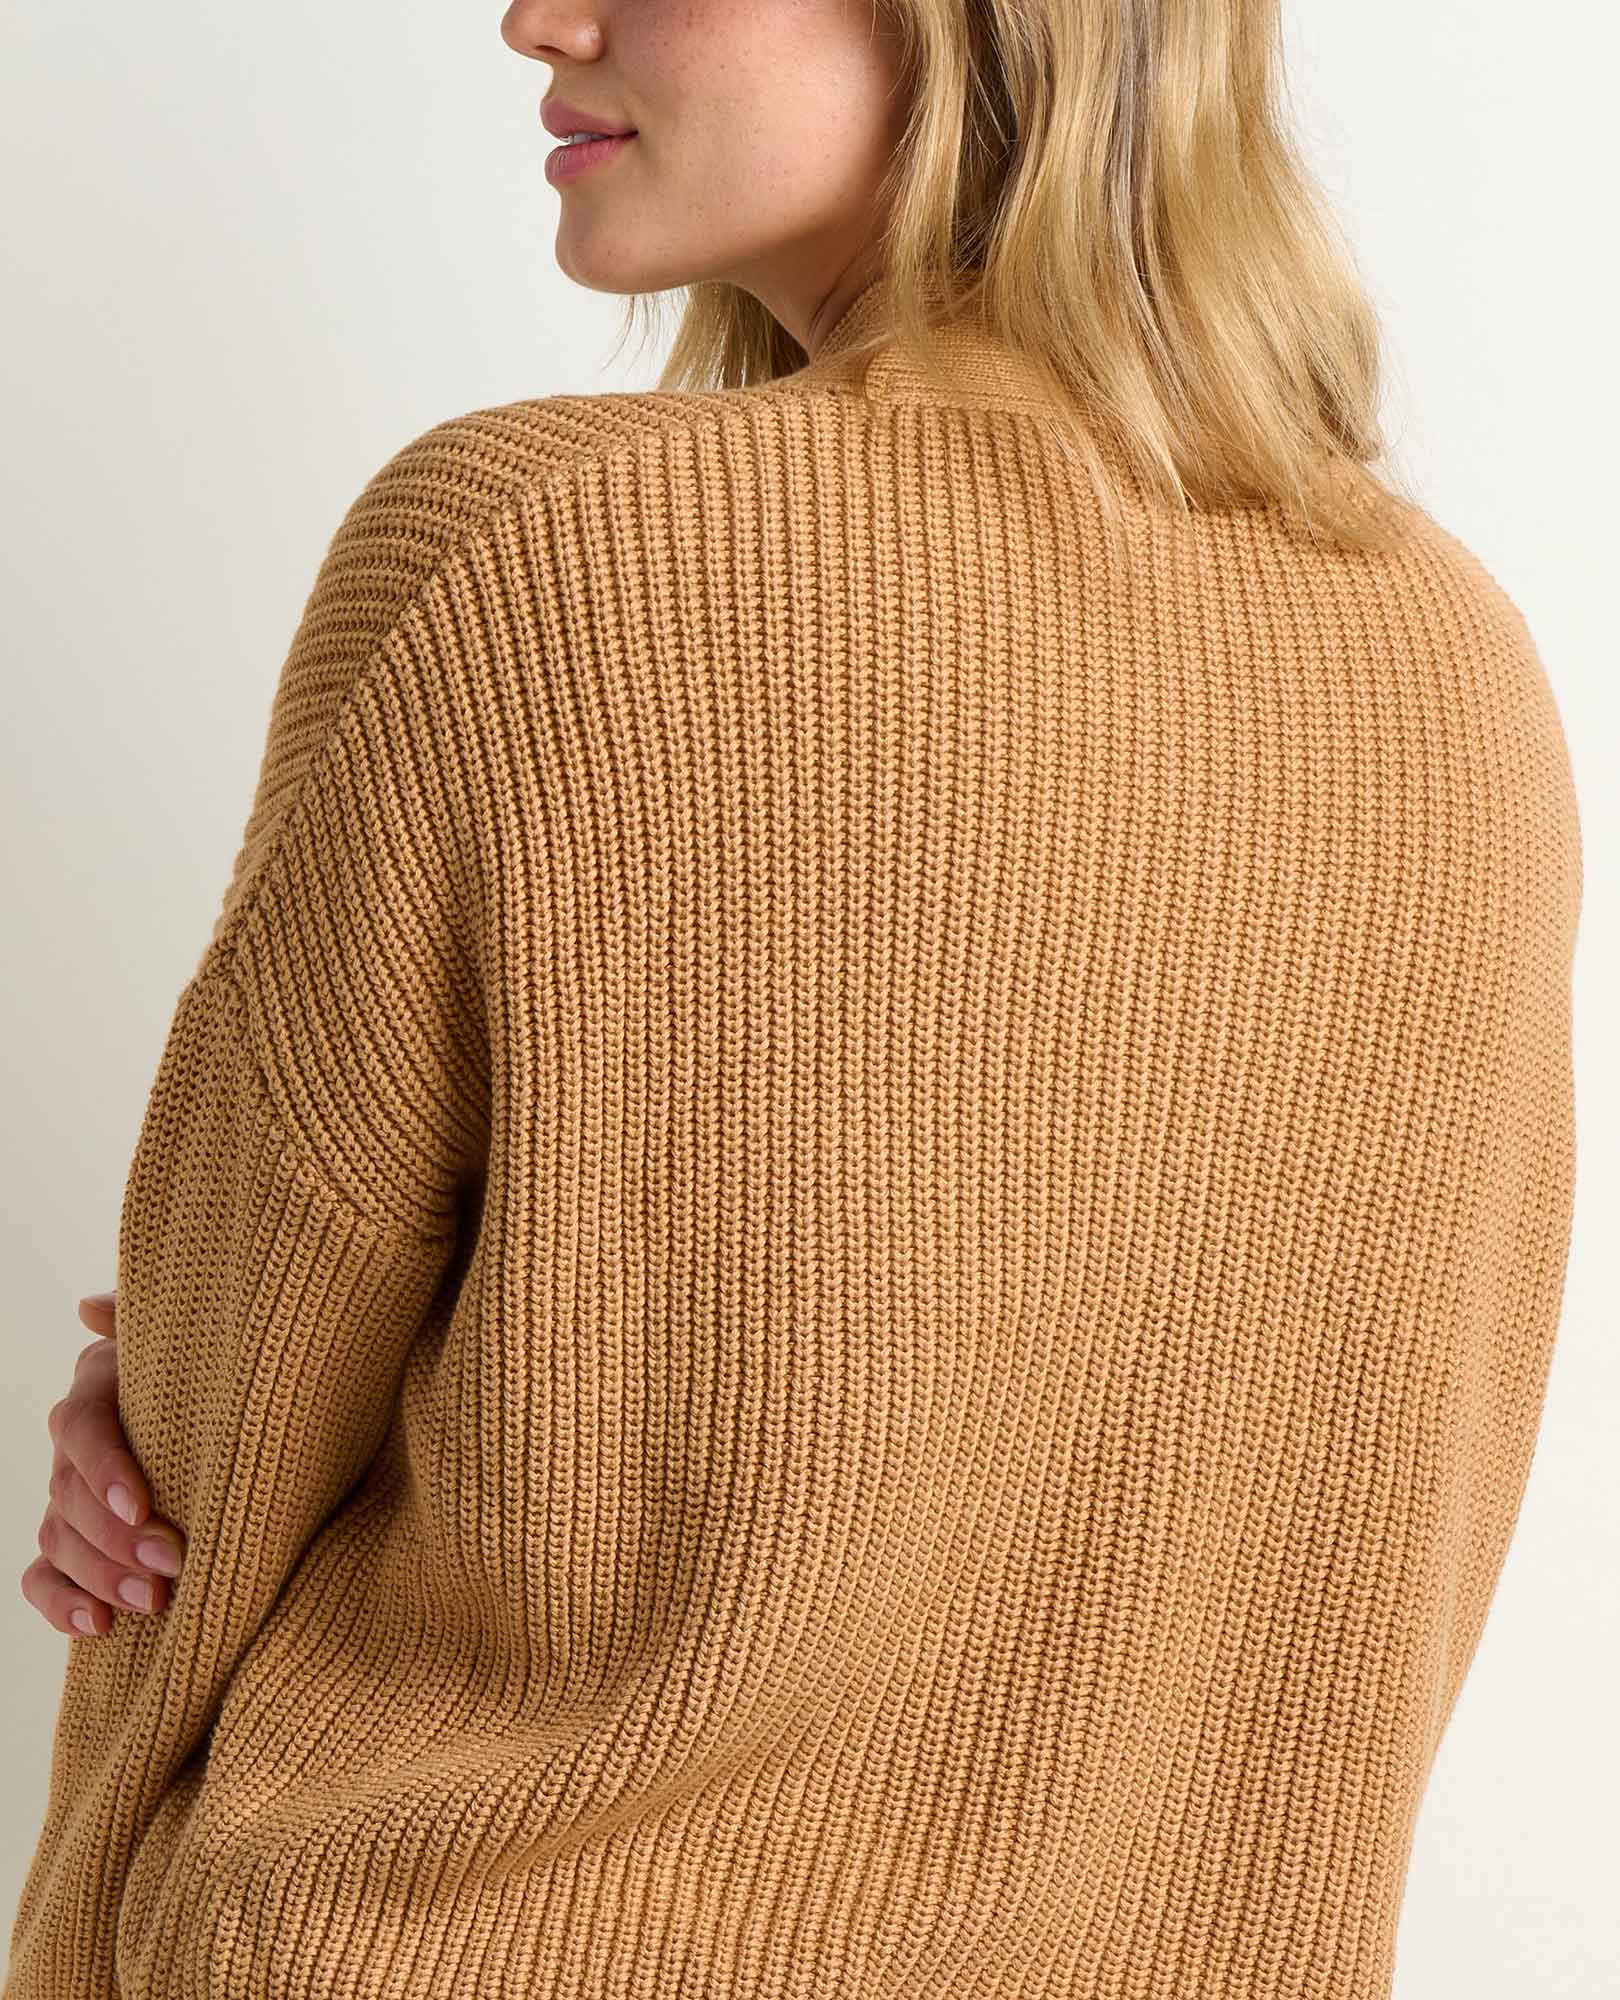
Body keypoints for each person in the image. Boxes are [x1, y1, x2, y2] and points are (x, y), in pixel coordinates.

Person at [10, 1, 1581, 1997]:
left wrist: (159, 1447)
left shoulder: (538, 562)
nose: (539, 18)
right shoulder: (1462, 669)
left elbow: (193, 1508)